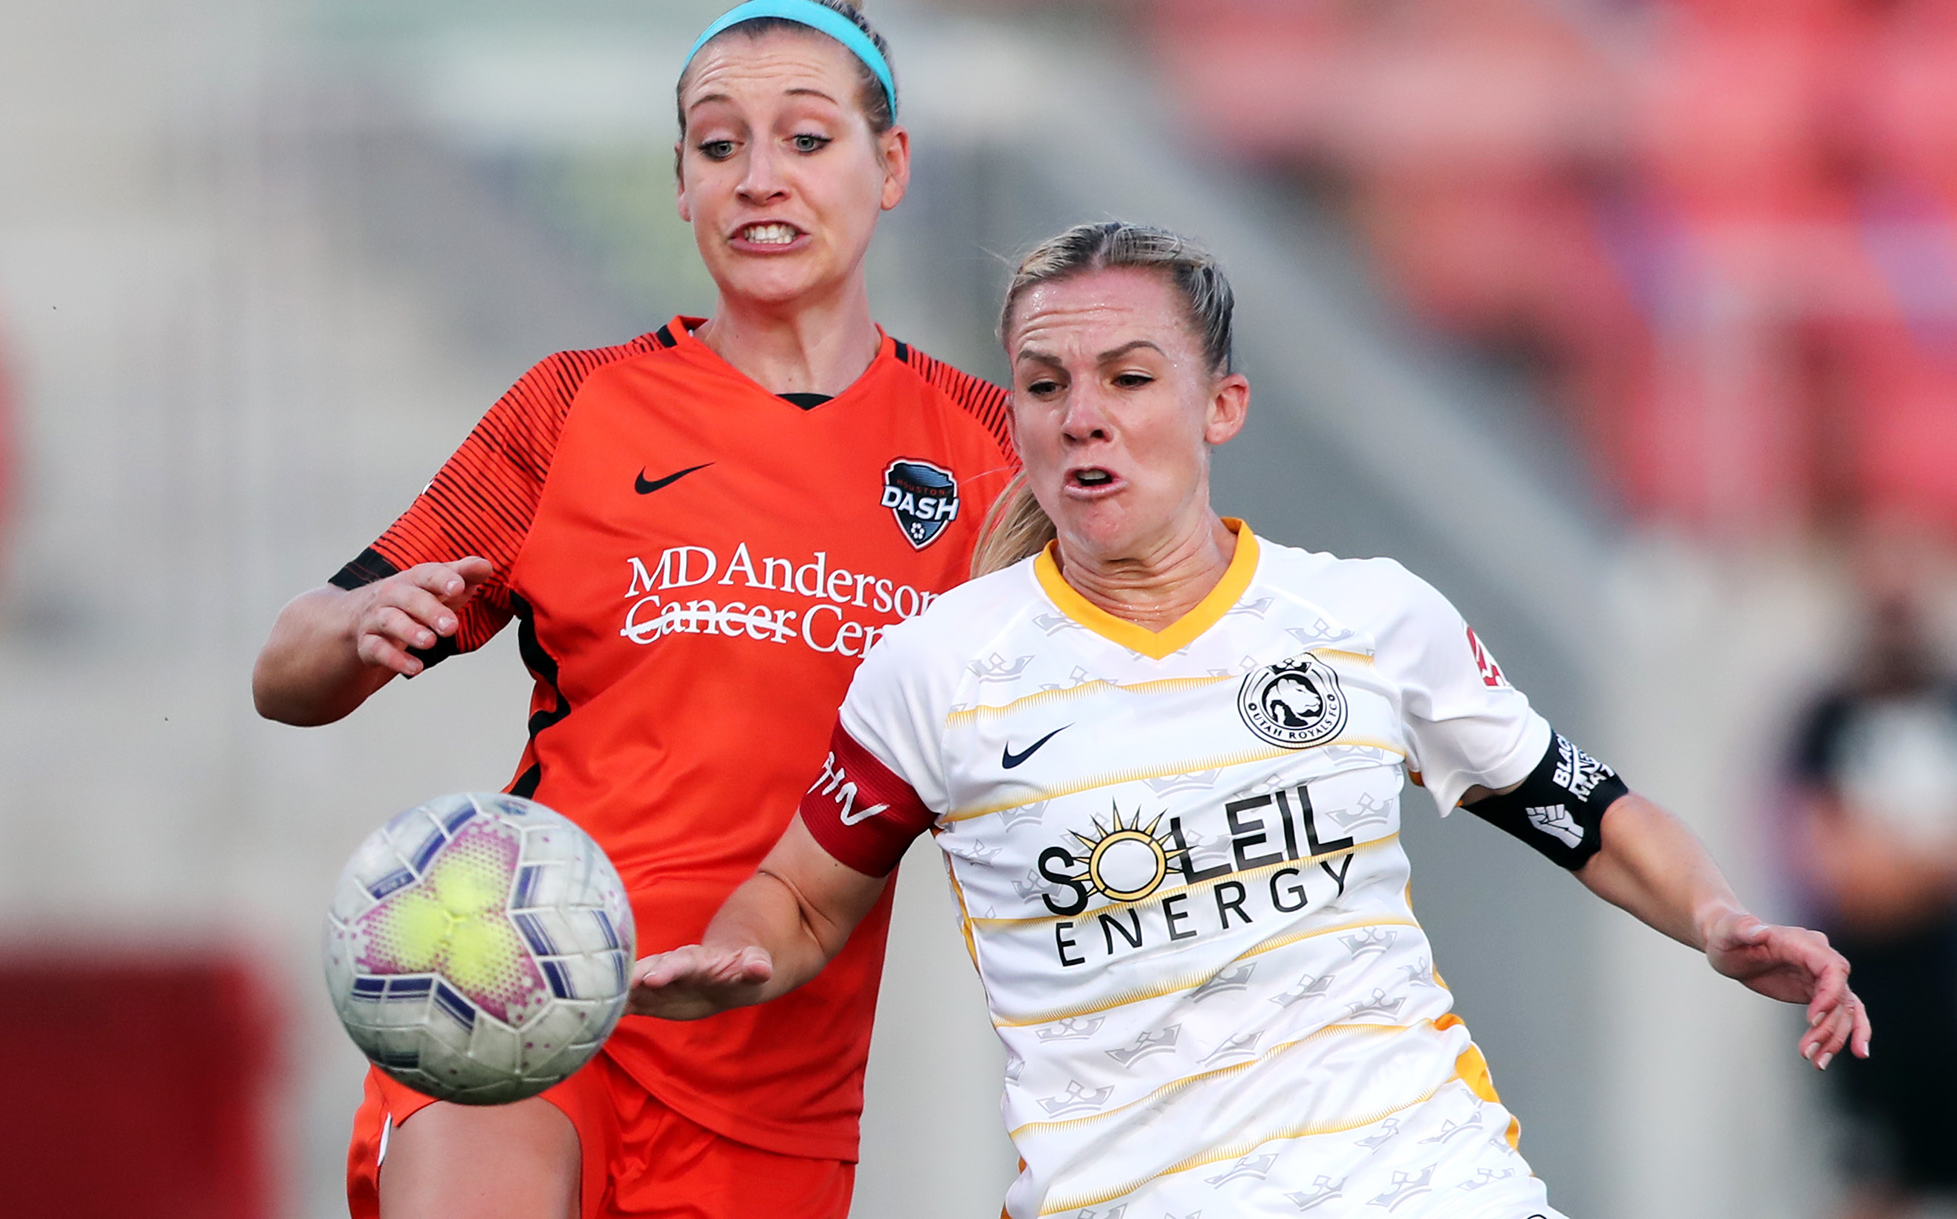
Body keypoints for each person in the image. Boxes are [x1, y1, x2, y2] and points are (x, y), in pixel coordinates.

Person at [631, 222, 1872, 1218]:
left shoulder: (1364, 618)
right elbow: (798, 900)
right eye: (1045, 385)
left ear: (1221, 406)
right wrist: (731, 959)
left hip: (1423, 1180)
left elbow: (1579, 810)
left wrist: (1716, 921)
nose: (1083, 416)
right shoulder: (939, 668)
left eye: (1128, 379)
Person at [251, 0, 1015, 1217]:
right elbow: (283, 677)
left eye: (807, 140)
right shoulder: (573, 409)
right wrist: (343, 630)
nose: (759, 176)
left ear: (891, 164)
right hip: (510, 984)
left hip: (774, 1069)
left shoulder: (983, 455)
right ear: (679, 182)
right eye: (719, 146)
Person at [1787, 586, 1957, 1217]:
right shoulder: (1828, 722)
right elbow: (1850, 882)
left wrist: (1896, 865)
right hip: (1871, 1004)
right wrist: (1931, 866)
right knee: (1874, 1185)